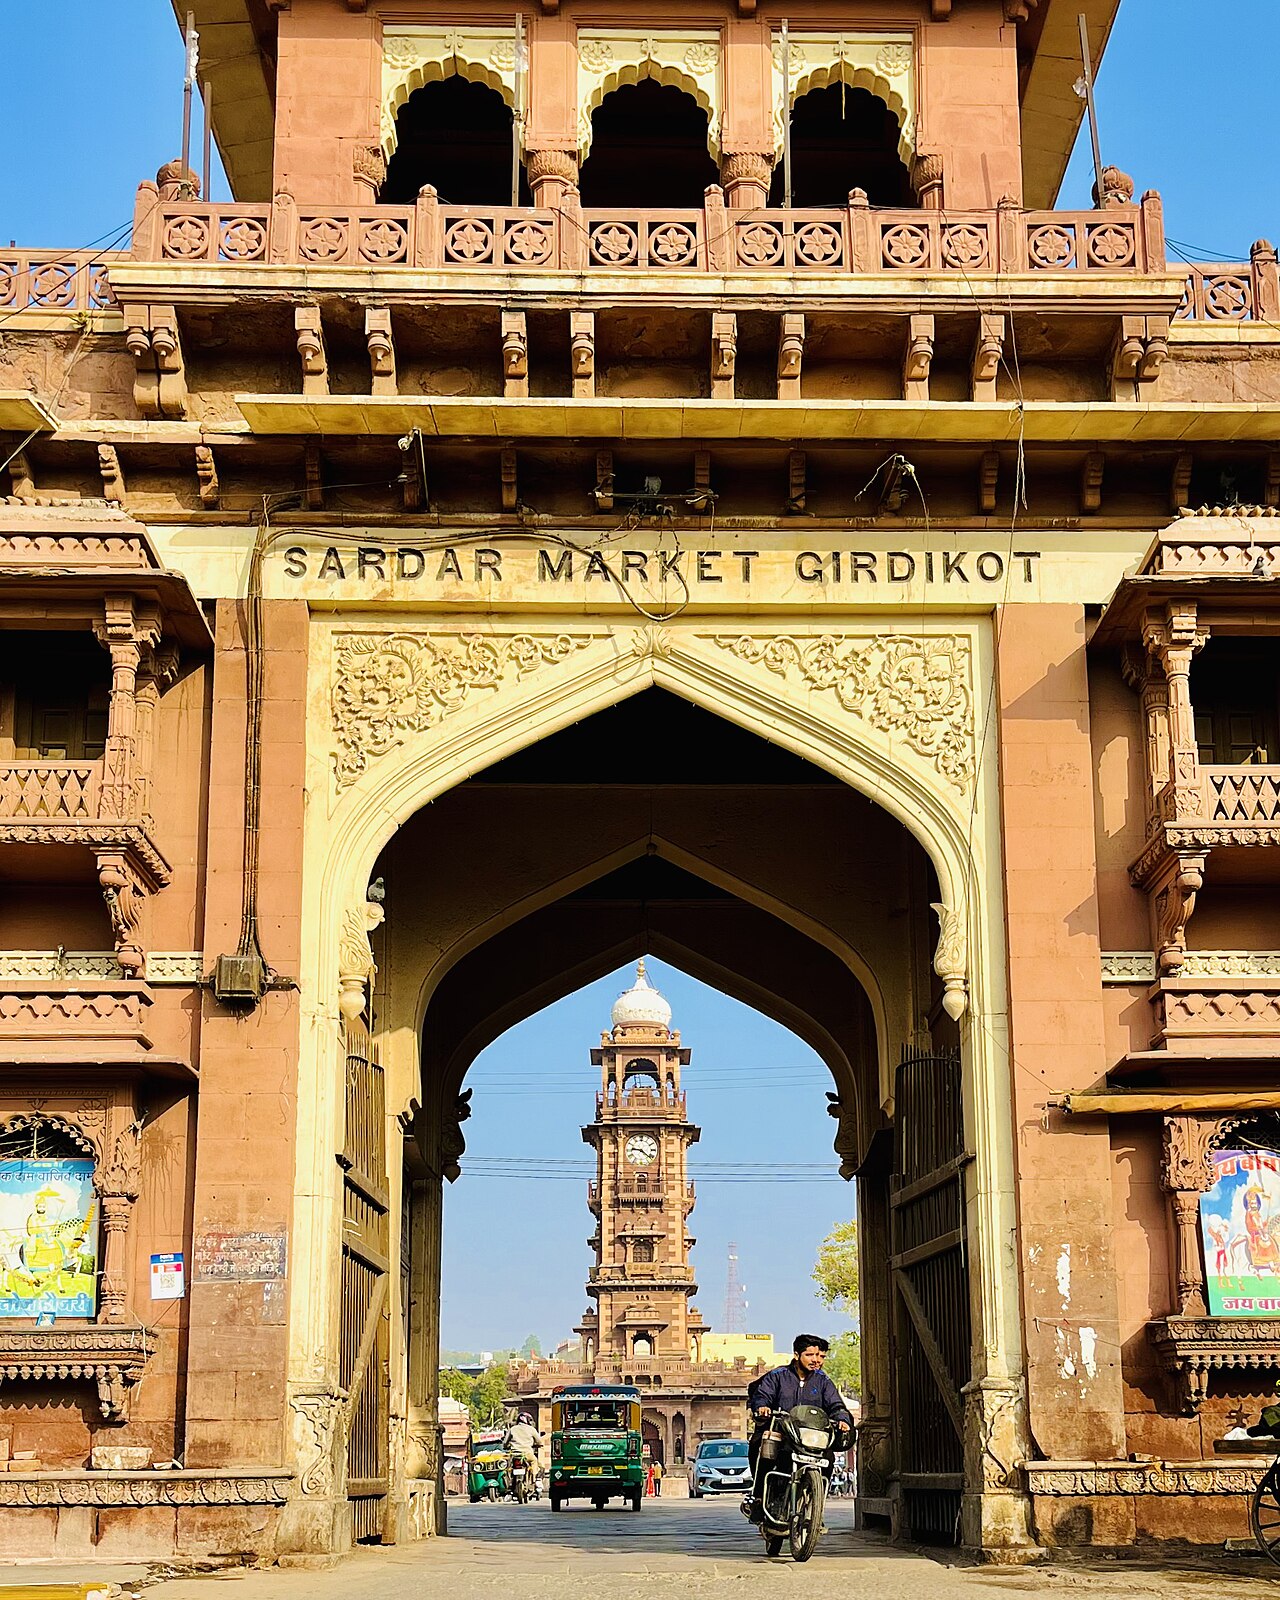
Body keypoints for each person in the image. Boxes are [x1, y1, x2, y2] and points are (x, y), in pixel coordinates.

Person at [742, 1334, 853, 1523]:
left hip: (811, 1436)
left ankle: (815, 1505)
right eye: (810, 1355)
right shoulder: (778, 1376)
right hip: (782, 1432)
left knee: (829, 1457)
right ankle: (759, 1496)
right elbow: (762, 1395)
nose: (816, 1360)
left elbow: (836, 1405)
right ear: (796, 1355)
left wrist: (842, 1419)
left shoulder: (823, 1381)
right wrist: (762, 1407)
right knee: (761, 1444)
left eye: (819, 1356)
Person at [506, 1411, 542, 1491]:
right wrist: (539, 1445)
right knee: (535, 1462)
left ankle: (510, 1482)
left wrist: (506, 1446)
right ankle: (534, 1479)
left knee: (508, 1468)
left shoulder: (512, 1429)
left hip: (514, 1455)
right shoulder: (531, 1429)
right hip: (528, 1454)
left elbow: (505, 1442)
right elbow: (539, 1441)